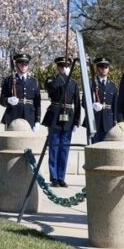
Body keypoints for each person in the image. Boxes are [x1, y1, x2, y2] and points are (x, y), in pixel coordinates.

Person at [42, 57, 81, 188]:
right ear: (58, 67)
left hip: (68, 117)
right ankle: (53, 177)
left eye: (66, 66)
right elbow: (50, 88)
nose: (65, 68)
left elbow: (77, 103)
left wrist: (76, 121)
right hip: (55, 116)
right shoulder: (52, 80)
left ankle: (61, 177)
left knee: (64, 148)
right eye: (62, 66)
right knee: (54, 147)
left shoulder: (74, 83)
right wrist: (61, 77)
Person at [0, 53, 41, 131]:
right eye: (21, 63)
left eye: (26, 64)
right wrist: (8, 100)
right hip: (13, 115)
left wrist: (37, 121)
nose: (23, 66)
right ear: (16, 64)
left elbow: (37, 103)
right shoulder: (9, 80)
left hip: (29, 116)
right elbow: (1, 100)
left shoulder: (34, 82)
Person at [89, 57, 118, 143]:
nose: (104, 69)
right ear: (97, 68)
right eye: (101, 67)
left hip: (108, 121)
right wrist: (92, 105)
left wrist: (115, 120)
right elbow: (84, 102)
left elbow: (115, 105)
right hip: (95, 120)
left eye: (106, 67)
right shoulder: (91, 84)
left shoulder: (112, 85)